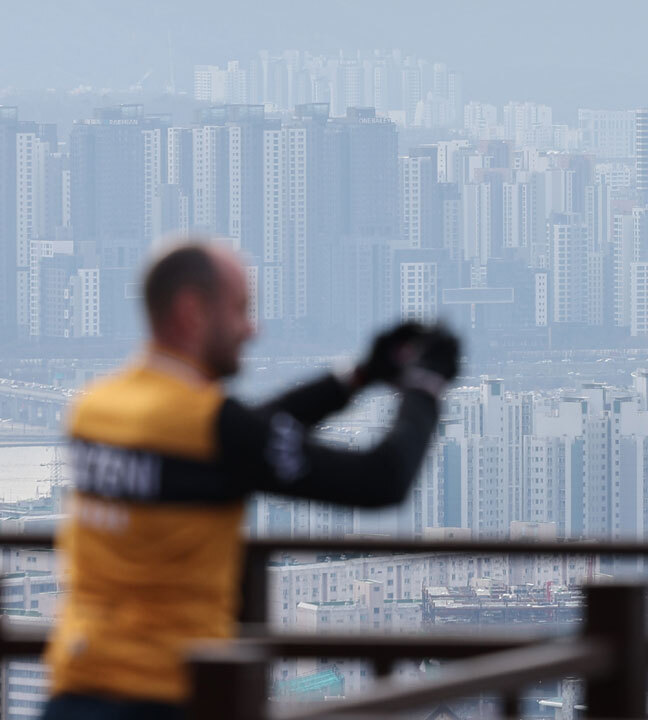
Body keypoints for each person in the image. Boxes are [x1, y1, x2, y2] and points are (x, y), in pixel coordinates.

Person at [41, 241, 459, 720]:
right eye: (240, 310)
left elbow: (241, 441)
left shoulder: (96, 409)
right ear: (192, 311)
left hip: (75, 689)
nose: (251, 329)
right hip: (169, 696)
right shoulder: (211, 428)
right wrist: (426, 388)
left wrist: (359, 377)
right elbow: (381, 479)